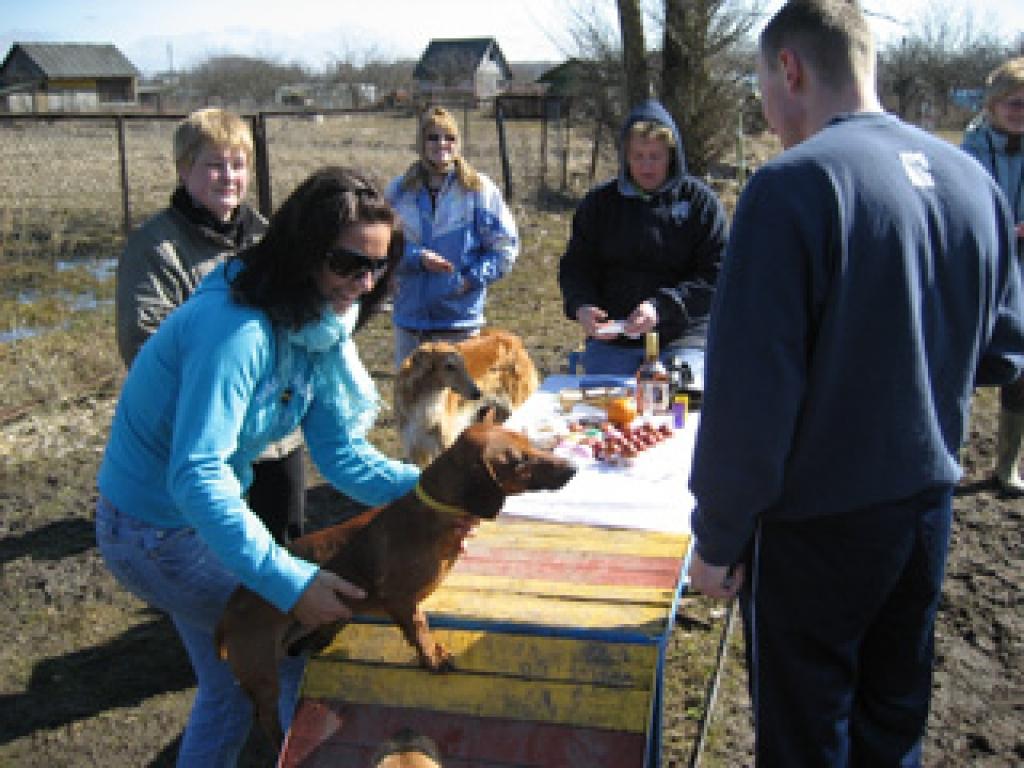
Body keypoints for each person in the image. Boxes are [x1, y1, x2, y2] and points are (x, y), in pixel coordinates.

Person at [687, 1, 1024, 766]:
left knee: (808, 730)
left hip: (817, 523)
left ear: (791, 69)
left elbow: (750, 400)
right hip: (925, 508)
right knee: (891, 715)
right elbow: (1004, 354)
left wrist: (719, 535)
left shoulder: (791, 188)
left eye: (761, 86)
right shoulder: (973, 179)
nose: (766, 113)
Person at [95, 166, 419, 766]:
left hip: (190, 522)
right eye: (350, 264)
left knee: (227, 689)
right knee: (294, 666)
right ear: (303, 249)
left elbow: (340, 454)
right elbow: (197, 474)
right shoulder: (238, 332)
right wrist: (290, 583)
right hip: (154, 534)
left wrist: (434, 490)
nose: (364, 283)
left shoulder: (314, 325)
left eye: (379, 268)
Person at [115, 107, 306, 544]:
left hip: (277, 435)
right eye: (214, 165)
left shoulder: (268, 238)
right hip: (210, 439)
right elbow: (144, 343)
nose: (228, 176)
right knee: (219, 559)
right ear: (185, 170)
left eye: (237, 164)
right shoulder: (157, 249)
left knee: (285, 546)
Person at [558, 99, 727, 376]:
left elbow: (716, 275)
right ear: (625, 157)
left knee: (678, 402)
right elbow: (576, 265)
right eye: (638, 156)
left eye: (655, 156)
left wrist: (661, 307)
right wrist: (581, 305)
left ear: (671, 155)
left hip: (683, 335)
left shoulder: (700, 203)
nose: (647, 166)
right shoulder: (600, 204)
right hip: (615, 338)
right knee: (602, 408)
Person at [386, 106, 519, 368]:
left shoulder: (478, 191)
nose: (441, 144)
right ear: (421, 143)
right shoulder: (400, 192)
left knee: (459, 406)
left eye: (449, 137)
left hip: (459, 323)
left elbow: (505, 249)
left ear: (458, 143)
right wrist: (417, 257)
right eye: (433, 137)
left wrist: (469, 280)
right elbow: (383, 247)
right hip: (410, 323)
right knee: (412, 405)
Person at [961, 57, 1024, 495]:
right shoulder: (968, 151)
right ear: (993, 104)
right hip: (984, 264)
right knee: (966, 362)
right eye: (1014, 103)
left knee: (1021, 366)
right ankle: (951, 451)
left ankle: (1008, 465)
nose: (1020, 112)